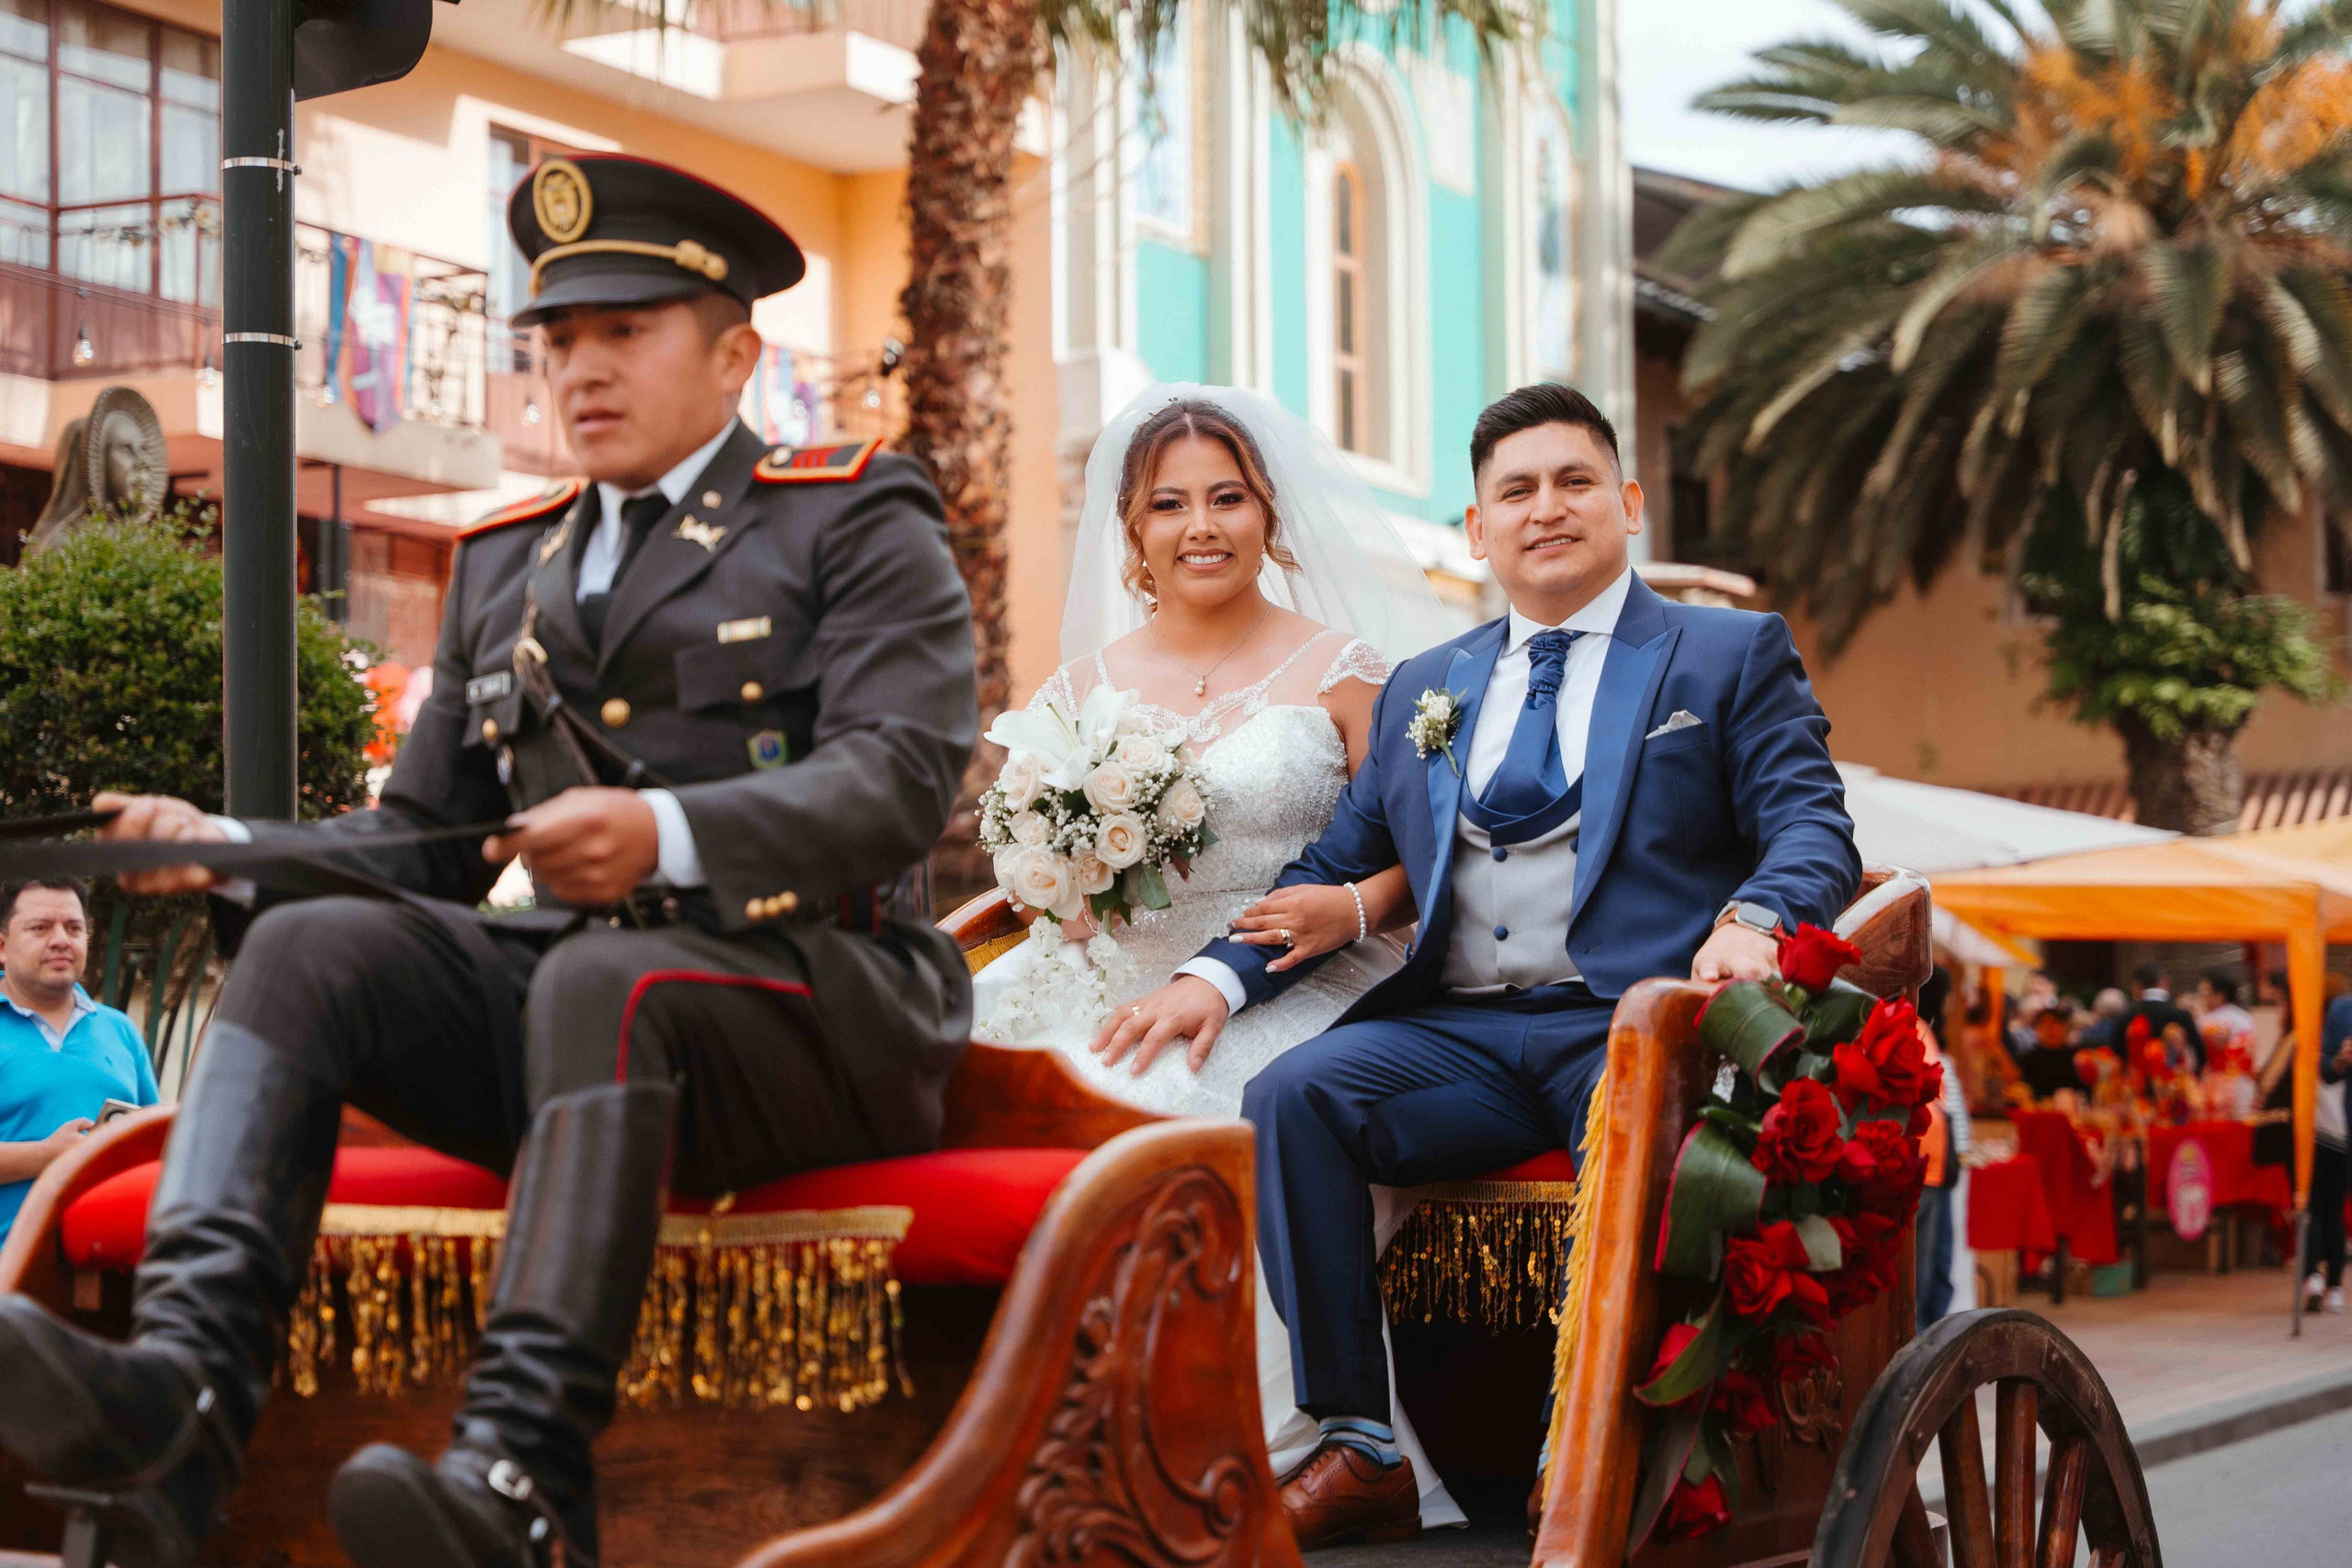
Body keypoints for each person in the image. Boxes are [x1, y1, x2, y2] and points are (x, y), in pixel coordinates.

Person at [0, 153, 977, 1568]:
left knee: (609, 981)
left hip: (824, 1007)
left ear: (735, 354)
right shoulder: (506, 563)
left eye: (624, 332)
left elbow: (901, 776)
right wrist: (230, 851)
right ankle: (179, 1396)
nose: (580, 368)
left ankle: (518, 1473)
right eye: (557, 339)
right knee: (309, 943)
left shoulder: (849, 512)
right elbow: (421, 843)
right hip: (603, 1013)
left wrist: (669, 832)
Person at [1102, 383, 1860, 1548]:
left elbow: (1810, 823)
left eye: (1572, 482)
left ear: (1629, 501)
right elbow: (1337, 862)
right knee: (1295, 1091)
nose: (1544, 509)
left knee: (1625, 1113)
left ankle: (1606, 1452)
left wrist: (1757, 915)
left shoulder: (1724, 653)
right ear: (1476, 527)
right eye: (1515, 491)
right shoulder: (1430, 686)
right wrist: (1211, 979)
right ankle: (1358, 1446)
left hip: (1632, 1020)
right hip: (1461, 1029)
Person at [967, 383, 1468, 1529]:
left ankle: (1178, 1452)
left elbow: (1427, 856)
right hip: (1111, 972)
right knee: (976, 1086)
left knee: (1173, 1115)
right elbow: (1029, 870)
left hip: (1306, 972)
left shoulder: (1348, 672)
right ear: (1133, 532)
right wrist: (1062, 875)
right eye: (1169, 504)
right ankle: (984, 1437)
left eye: (1227, 498)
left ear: (1267, 513)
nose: (1201, 525)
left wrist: (1347, 906)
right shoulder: (1079, 689)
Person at [0, 878, 159, 1238]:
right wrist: (48, 1155)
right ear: (2, 946)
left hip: (107, 1268)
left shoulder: (120, 1029)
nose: (61, 939)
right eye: (40, 928)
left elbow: (153, 1146)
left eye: (74, 928)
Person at [1912, 967, 1972, 1328]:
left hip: (1935, 1166)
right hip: (1923, 1167)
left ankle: (1931, 1345)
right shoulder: (1911, 1025)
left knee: (1937, 1271)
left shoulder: (1922, 1028)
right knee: (1922, 1277)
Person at [2307, 986, 2352, 1314]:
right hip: (2336, 1129)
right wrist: (2340, 1061)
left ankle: (2330, 1281)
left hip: (2333, 1129)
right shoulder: (2340, 1010)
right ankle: (2330, 1282)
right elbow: (2325, 1070)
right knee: (2326, 1207)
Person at [2126, 962, 2203, 1072]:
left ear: (2138, 985)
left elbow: (2119, 1054)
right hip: (2175, 1082)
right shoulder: (2182, 1016)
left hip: (2136, 1082)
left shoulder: (2127, 1017)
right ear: (2165, 980)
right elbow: (2199, 1052)